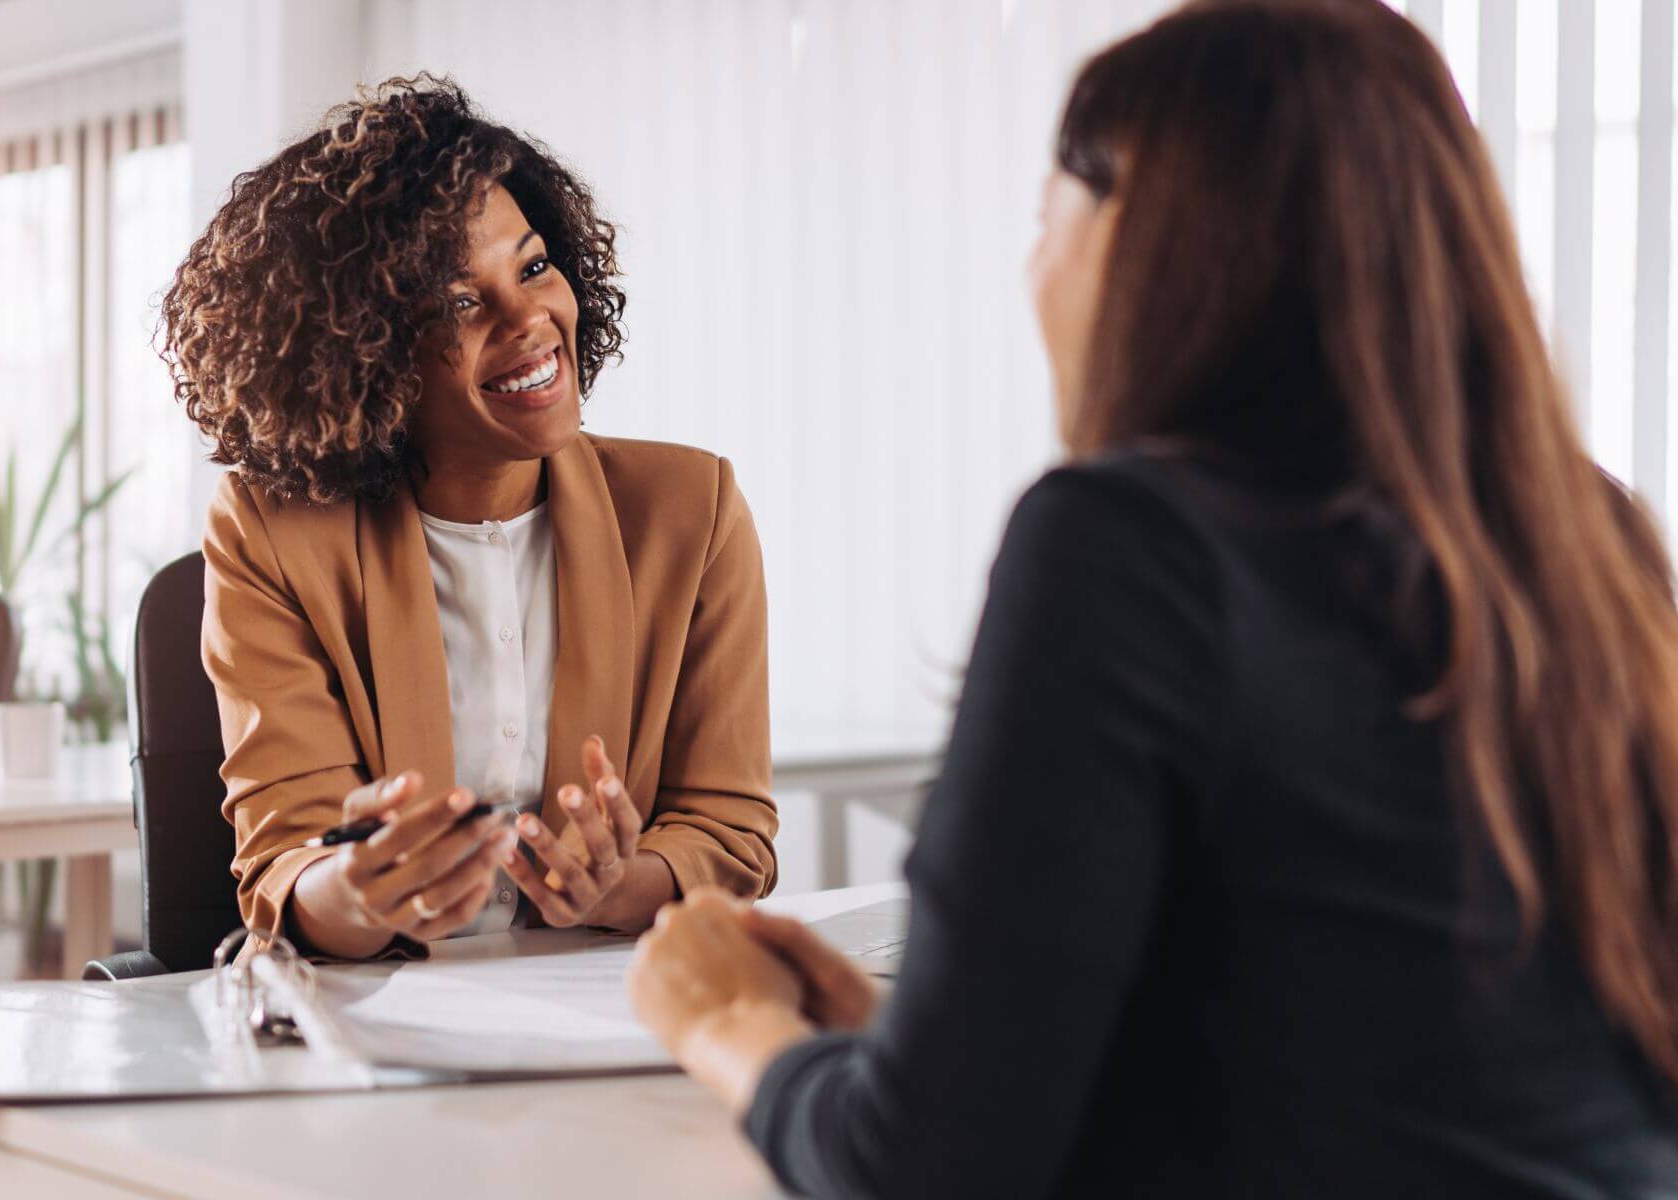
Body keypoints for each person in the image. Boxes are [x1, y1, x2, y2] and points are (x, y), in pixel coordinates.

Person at [626, 2, 1678, 1195]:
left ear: (1139, 235)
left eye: (1045, 218)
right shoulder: (1587, 538)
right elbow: (1367, 1071)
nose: (1033, 268)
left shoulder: (1127, 544)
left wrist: (729, 1023)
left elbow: (921, 1177)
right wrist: (902, 1048)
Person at [162, 77, 776, 961]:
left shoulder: (691, 509)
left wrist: (615, 884)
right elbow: (286, 866)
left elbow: (731, 833)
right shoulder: (272, 533)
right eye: (459, 302)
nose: (529, 319)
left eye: (533, 268)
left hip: (607, 1008)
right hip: (374, 1014)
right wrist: (363, 888)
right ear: (365, 352)